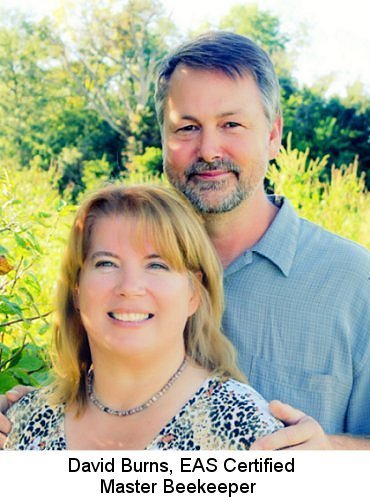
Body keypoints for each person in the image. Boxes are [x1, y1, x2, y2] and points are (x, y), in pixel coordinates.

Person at [1, 31, 369, 449]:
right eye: (187, 127)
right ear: (162, 138)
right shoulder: (115, 265)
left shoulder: (355, 281)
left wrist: (332, 456)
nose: (209, 149)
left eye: (231, 124)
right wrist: (27, 424)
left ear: (273, 135)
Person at [2, 184, 282, 450]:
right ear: (77, 290)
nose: (130, 287)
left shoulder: (247, 433)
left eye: (157, 265)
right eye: (106, 263)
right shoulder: (25, 423)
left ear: (194, 294)